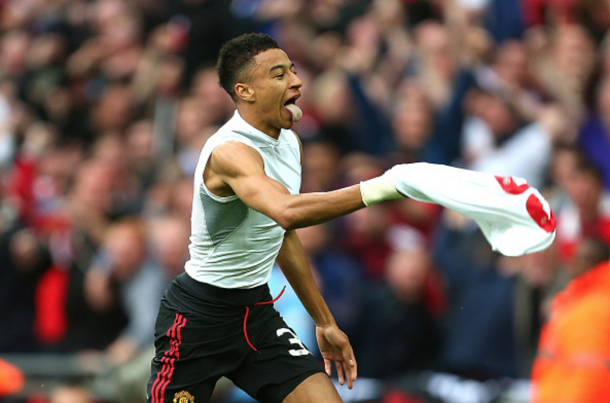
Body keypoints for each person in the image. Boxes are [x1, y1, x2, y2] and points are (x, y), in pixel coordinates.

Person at [146, 33, 556, 403]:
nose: (296, 81)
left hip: (256, 312)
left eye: (292, 69)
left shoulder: (288, 143)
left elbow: (278, 232)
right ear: (245, 91)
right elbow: (287, 211)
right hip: (199, 318)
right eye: (278, 74)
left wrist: (324, 322)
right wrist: (385, 186)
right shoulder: (230, 151)